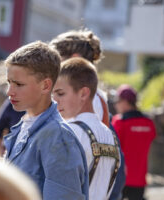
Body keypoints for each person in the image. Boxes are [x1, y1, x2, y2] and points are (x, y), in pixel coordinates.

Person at [3, 41, 89, 200]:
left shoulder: (58, 138)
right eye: (9, 83)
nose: (9, 92)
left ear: (45, 86)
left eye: (18, 84)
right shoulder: (22, 128)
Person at [50, 29, 126, 200]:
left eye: (57, 60)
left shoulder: (84, 105)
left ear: (75, 57)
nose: (53, 67)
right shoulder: (96, 97)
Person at [112, 84, 156, 200]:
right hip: (140, 179)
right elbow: (151, 137)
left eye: (118, 100)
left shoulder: (119, 122)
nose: (115, 104)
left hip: (120, 178)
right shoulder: (148, 123)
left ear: (126, 101)